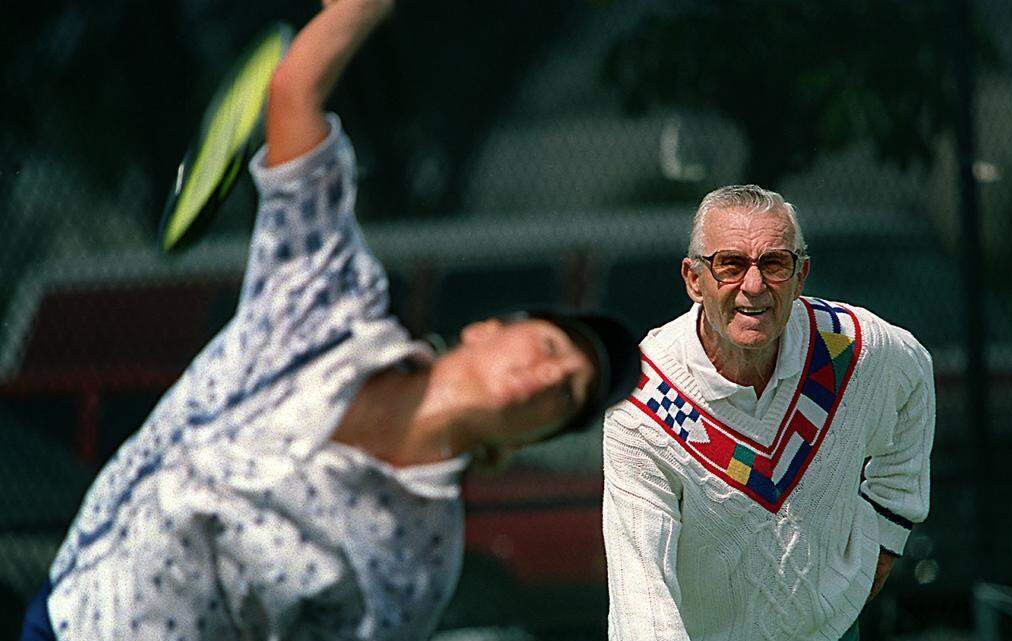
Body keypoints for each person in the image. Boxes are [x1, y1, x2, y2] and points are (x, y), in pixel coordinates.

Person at [21, 1, 640, 639]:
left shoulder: (417, 566)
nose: (548, 375)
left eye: (567, 394)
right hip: (69, 609)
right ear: (487, 328)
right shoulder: (326, 301)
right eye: (549, 346)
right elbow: (293, 93)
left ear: (513, 448)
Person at [602, 186, 936, 641]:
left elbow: (916, 376)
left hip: (833, 631)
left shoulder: (850, 346)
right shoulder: (641, 401)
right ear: (693, 279)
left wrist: (888, 526)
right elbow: (641, 589)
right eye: (730, 264)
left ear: (801, 276)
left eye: (775, 263)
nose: (754, 286)